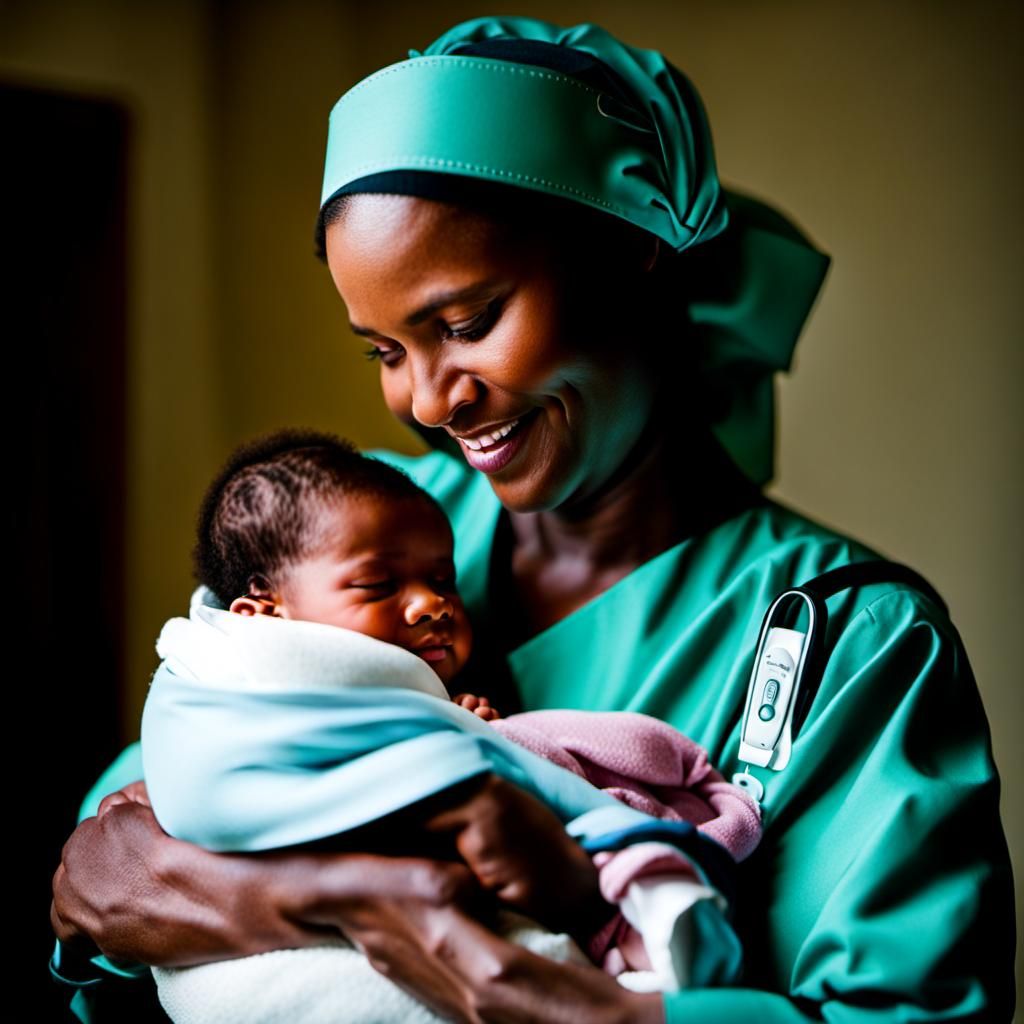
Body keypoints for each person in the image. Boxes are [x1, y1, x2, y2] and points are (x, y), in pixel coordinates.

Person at [51, 15, 1016, 1024]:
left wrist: (504, 988)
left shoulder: (852, 640)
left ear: (635, 251)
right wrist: (349, 906)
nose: (429, 401)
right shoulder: (356, 531)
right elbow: (109, 864)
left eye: (467, 323)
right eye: (385, 351)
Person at [140, 428, 761, 1021]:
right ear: (262, 612)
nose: (431, 604)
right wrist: (467, 745)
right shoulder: (224, 679)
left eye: (443, 581)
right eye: (378, 585)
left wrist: (464, 727)